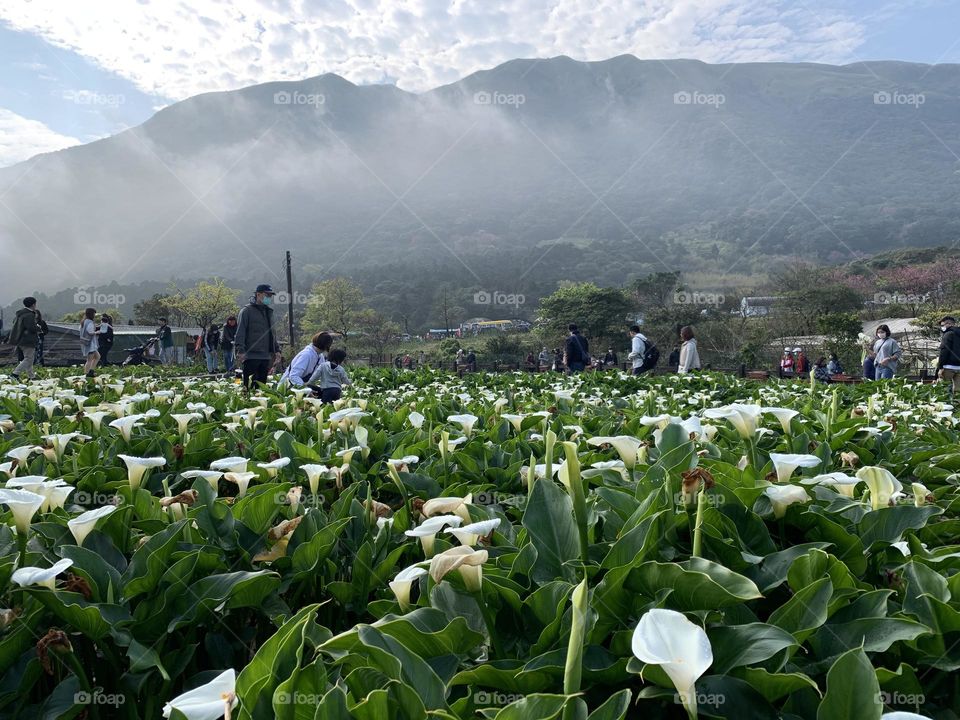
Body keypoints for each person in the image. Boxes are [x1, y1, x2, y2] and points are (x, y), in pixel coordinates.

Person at [234, 284, 281, 389]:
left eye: (270, 295)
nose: (269, 298)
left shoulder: (269, 312)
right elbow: (240, 331)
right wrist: (240, 350)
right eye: (267, 295)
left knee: (261, 388)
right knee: (249, 386)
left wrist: (277, 350)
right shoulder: (246, 311)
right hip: (251, 356)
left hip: (265, 357)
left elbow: (272, 333)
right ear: (258, 294)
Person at [9, 297, 42, 380]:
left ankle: (31, 376)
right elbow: (31, 328)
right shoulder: (29, 314)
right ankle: (15, 374)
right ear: (33, 304)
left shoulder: (20, 314)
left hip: (20, 339)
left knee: (29, 359)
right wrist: (38, 327)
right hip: (28, 340)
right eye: (35, 304)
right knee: (28, 359)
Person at [936, 316, 960, 399]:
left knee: (943, 390)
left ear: (949, 324)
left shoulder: (948, 334)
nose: (942, 328)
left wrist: (940, 367)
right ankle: (956, 409)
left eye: (943, 325)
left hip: (948, 367)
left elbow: (944, 351)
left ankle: (944, 408)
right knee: (958, 391)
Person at [79, 307, 100, 378]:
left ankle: (91, 371)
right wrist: (97, 332)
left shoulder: (84, 321)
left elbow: (82, 330)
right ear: (91, 314)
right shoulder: (90, 322)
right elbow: (90, 332)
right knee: (89, 360)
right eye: (94, 314)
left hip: (85, 342)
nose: (94, 315)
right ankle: (87, 374)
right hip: (90, 344)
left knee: (97, 356)